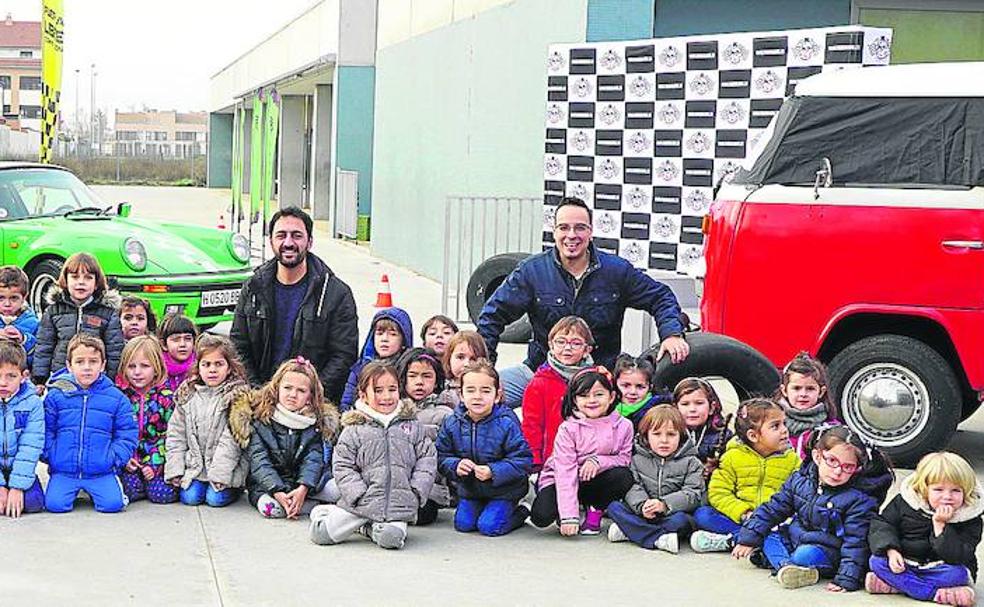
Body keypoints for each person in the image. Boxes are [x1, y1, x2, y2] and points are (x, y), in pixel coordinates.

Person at [477, 196, 690, 407]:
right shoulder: (531, 271)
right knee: (479, 396)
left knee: (648, 411)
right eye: (564, 228)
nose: (571, 235)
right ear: (554, 232)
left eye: (579, 228)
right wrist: (485, 370)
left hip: (600, 378)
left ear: (590, 231)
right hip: (539, 371)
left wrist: (671, 334)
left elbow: (660, 296)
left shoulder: (615, 271)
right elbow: (492, 316)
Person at [231, 206, 358, 404]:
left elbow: (343, 355)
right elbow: (238, 346)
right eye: (281, 235)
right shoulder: (253, 288)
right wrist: (260, 393)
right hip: (261, 401)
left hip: (313, 408)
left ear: (310, 242)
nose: (288, 243)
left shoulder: (335, 293)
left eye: (297, 235)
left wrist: (307, 395)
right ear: (271, 241)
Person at [732, 426, 883, 592]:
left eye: (848, 467)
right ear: (817, 456)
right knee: (768, 535)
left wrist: (847, 578)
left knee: (804, 555)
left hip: (828, 550)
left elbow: (856, 542)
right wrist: (748, 538)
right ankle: (788, 568)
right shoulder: (800, 480)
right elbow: (773, 508)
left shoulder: (859, 499)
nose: (838, 471)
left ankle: (783, 563)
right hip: (796, 537)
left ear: (857, 468)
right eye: (832, 461)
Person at [309, 362, 437, 549]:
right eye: (378, 390)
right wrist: (357, 494)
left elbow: (427, 459)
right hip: (361, 503)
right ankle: (332, 513)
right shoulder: (354, 430)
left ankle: (367, 529)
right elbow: (343, 465)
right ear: (363, 395)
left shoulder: (412, 426)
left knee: (390, 539)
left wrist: (416, 491)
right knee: (321, 534)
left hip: (397, 505)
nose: (386, 396)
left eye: (392, 389)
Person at [867, 451, 982, 606]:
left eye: (956, 490)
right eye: (938, 490)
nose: (947, 496)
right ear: (924, 488)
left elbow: (959, 556)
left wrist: (940, 526)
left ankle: (899, 585)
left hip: (940, 568)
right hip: (905, 562)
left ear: (966, 491)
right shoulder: (905, 502)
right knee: (877, 562)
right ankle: (936, 593)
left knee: (959, 574)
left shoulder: (970, 517)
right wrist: (891, 550)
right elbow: (883, 524)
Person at [529, 366, 634, 536]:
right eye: (584, 395)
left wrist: (598, 461)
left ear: (612, 396)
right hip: (561, 478)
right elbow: (565, 471)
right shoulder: (568, 428)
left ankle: (595, 507)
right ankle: (570, 506)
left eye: (599, 394)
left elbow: (624, 459)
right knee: (541, 517)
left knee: (623, 476)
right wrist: (568, 517)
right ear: (575, 400)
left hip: (596, 478)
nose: (592, 400)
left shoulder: (624, 426)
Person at [231, 357, 340, 519]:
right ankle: (308, 506)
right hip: (270, 484)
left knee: (338, 490)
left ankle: (302, 501)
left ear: (310, 396)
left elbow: (313, 459)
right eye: (287, 388)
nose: (292, 395)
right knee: (272, 509)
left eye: (301, 391)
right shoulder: (261, 420)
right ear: (277, 388)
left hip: (306, 483)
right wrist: (277, 491)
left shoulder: (314, 422)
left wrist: (304, 487)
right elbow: (260, 462)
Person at [436, 360, 533, 537]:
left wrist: (493, 471)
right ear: (462, 395)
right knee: (463, 524)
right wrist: (456, 465)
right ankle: (484, 508)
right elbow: (441, 455)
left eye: (485, 391)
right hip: (471, 490)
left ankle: (523, 510)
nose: (477, 396)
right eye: (471, 390)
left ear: (497, 395)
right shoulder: (452, 423)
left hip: (505, 490)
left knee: (489, 527)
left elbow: (524, 460)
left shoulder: (506, 423)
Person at [689, 398, 800, 553]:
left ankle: (731, 541)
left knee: (795, 527)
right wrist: (743, 513)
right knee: (703, 515)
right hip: (741, 519)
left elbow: (798, 495)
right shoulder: (732, 457)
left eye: (784, 424)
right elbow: (718, 493)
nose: (784, 430)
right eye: (776, 426)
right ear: (753, 436)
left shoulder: (792, 460)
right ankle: (750, 540)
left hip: (773, 521)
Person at [44, 334, 138, 513]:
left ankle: (112, 486)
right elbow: (47, 430)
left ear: (102, 365)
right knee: (55, 505)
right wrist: (51, 454)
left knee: (112, 505)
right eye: (80, 362)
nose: (87, 367)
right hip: (64, 469)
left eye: (93, 361)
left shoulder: (116, 398)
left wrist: (114, 459)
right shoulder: (56, 396)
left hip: (101, 470)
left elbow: (126, 433)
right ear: (69, 366)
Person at [164, 334, 250, 508]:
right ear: (198, 367)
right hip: (196, 467)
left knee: (214, 500)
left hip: (224, 469)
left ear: (229, 367)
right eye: (206, 364)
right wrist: (176, 470)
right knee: (190, 498)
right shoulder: (187, 395)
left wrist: (220, 476)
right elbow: (176, 435)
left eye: (218, 364)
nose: (212, 370)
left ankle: (234, 488)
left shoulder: (236, 397)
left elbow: (231, 441)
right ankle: (201, 483)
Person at [607, 405, 704, 553]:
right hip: (642, 513)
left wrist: (664, 504)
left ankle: (631, 532)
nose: (664, 440)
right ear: (646, 436)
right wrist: (642, 505)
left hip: (670, 514)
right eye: (657, 434)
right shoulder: (637, 459)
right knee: (614, 507)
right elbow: (633, 486)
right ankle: (658, 538)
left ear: (681, 436)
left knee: (682, 522)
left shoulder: (692, 462)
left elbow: (693, 493)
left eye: (671, 434)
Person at [34, 252, 125, 383]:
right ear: (65, 280)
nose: (81, 282)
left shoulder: (108, 314)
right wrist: (40, 378)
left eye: (88, 278)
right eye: (75, 277)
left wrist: (110, 380)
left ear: (96, 283)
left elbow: (114, 350)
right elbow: (44, 346)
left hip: (95, 377)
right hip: (61, 376)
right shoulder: (54, 311)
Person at [522, 316, 594, 471]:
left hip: (589, 461)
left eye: (575, 343)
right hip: (553, 461)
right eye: (561, 342)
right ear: (551, 345)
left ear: (587, 349)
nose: (567, 348)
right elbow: (532, 426)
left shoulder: (596, 380)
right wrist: (535, 463)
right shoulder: (539, 383)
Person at [116, 335, 178, 504]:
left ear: (156, 368)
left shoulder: (166, 398)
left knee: (162, 495)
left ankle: (150, 483)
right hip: (130, 460)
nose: (137, 372)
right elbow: (115, 433)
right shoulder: (120, 397)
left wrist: (154, 464)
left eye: (144, 366)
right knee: (130, 490)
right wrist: (125, 459)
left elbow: (171, 436)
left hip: (157, 459)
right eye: (131, 366)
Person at [397, 347, 453, 525]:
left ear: (437, 381)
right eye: (412, 376)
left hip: (429, 483)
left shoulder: (445, 414)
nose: (419, 382)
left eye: (427, 376)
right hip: (396, 479)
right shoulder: (393, 409)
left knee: (423, 514)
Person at [0, 341, 44, 516]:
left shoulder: (33, 403)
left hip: (18, 466)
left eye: (11, 376)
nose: (3, 382)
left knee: (34, 503)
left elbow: (30, 446)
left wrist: (17, 487)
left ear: (24, 376)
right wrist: (1, 486)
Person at [339, 307, 413, 411]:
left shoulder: (409, 368)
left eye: (393, 334)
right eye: (379, 333)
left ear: (404, 340)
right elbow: (346, 403)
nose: (384, 339)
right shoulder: (360, 368)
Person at [777, 352, 839, 460]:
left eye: (810, 388)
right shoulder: (772, 425)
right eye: (796, 388)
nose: (803, 394)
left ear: (821, 392)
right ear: (784, 390)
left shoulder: (832, 429)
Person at [674, 377, 731, 478]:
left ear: (712, 407)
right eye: (685, 404)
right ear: (675, 408)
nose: (692, 409)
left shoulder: (723, 436)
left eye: (699, 403)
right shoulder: (670, 434)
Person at [612, 354, 666, 430]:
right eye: (626, 385)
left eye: (640, 387)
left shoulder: (660, 413)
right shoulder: (605, 410)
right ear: (615, 383)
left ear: (650, 387)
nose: (633, 392)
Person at [436, 331, 488, 407]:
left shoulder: (489, 390)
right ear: (449, 358)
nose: (466, 364)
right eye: (460, 357)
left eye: (473, 359)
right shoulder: (441, 390)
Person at [0, 266, 38, 368]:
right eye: (1, 298)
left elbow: (38, 356)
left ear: (24, 297)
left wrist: (23, 339)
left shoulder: (32, 323)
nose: (7, 304)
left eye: (13, 298)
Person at [158, 313, 199, 392]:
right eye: (176, 339)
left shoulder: (199, 368)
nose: (182, 344)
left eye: (188, 339)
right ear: (164, 344)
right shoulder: (157, 369)